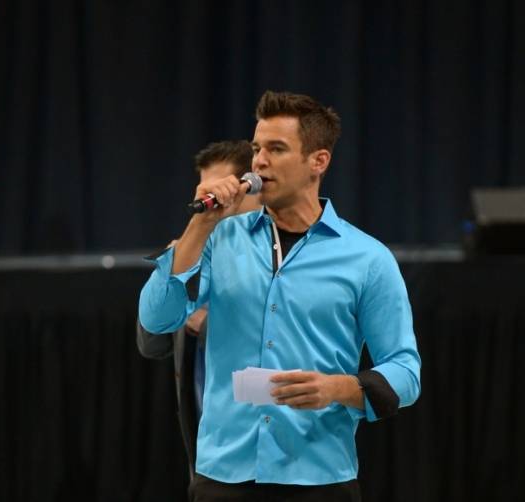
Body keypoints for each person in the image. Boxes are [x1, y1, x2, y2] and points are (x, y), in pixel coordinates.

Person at [139, 91, 421, 501]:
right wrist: (200, 226)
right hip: (223, 478)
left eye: (276, 149)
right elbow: (155, 320)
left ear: (318, 162)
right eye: (256, 149)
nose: (259, 162)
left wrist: (339, 389)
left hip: (319, 479)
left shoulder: (368, 258)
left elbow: (405, 370)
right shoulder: (218, 239)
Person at [136, 140, 261, 480]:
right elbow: (152, 344)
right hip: (209, 464)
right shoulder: (191, 257)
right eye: (206, 192)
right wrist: (170, 275)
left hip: (270, 459)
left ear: (252, 189)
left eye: (222, 190)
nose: (213, 201)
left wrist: (209, 323)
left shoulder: (273, 260)